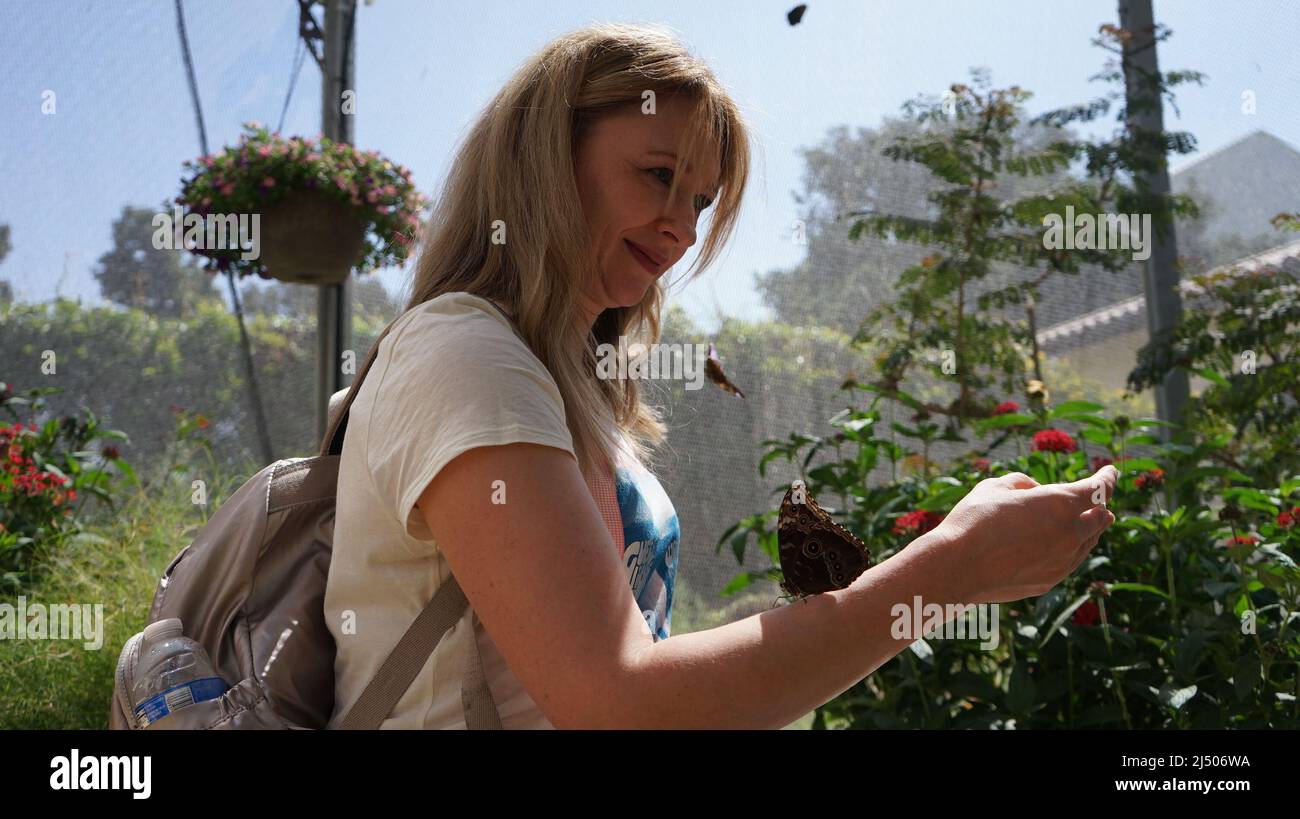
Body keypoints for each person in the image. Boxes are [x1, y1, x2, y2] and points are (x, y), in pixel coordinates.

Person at [323, 22, 1118, 729]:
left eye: (701, 200)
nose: (681, 227)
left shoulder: (566, 380)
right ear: (545, 159)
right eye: (658, 175)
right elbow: (616, 701)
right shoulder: (464, 353)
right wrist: (951, 567)